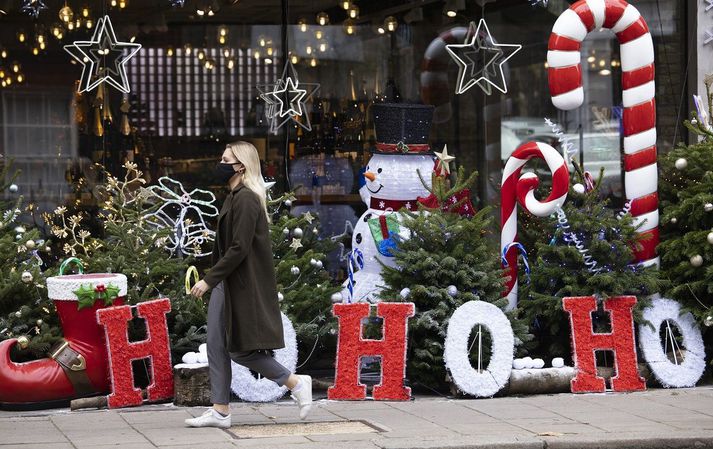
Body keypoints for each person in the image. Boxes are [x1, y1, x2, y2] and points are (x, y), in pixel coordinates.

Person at [185, 141, 312, 429]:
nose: (219, 163)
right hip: (228, 282)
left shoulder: (245, 198)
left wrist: (208, 279)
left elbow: (239, 248)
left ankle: (294, 382)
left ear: (240, 165)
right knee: (217, 345)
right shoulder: (234, 196)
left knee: (237, 349)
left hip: (239, 285)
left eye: (225, 159)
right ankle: (220, 410)